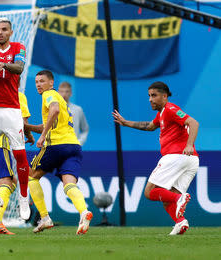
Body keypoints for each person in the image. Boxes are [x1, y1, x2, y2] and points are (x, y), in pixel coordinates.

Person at [112, 81, 199, 235]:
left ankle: (179, 199)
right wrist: (126, 123)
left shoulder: (171, 109)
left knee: (149, 192)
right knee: (168, 198)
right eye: (149, 96)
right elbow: (150, 126)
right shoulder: (162, 113)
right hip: (190, 160)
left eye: (154, 95)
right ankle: (180, 222)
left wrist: (189, 145)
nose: (150, 99)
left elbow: (193, 123)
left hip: (177, 156)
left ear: (164, 96)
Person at [26, 70, 93, 235]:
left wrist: (42, 136)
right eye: (36, 82)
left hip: (55, 146)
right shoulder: (61, 100)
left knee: (31, 177)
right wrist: (28, 127)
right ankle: (84, 212)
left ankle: (44, 217)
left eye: (42, 81)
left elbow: (53, 111)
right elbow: (50, 122)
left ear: (51, 83)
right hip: (73, 146)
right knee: (69, 184)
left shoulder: (49, 95)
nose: (38, 85)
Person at [0, 17, 31, 219]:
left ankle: (23, 198)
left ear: (11, 32)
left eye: (4, 29)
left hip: (11, 109)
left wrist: (1, 65)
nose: (0, 32)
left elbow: (19, 67)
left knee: (20, 154)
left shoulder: (19, 46)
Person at [0, 91, 34, 235]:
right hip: (0, 144)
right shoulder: (19, 95)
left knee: (11, 181)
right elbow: (23, 123)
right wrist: (29, 135)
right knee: (6, 182)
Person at [58, 82, 89, 146]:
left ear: (71, 93)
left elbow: (85, 129)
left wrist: (79, 143)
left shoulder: (78, 109)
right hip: (56, 147)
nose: (64, 94)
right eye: (61, 91)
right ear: (58, 93)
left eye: (67, 91)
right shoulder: (52, 109)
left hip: (73, 147)